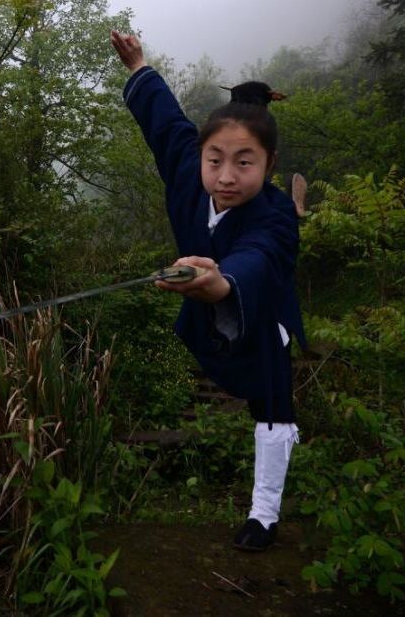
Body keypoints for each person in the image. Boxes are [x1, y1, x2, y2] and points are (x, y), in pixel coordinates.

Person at [110, 29, 304, 552]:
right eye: (215, 159)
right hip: (208, 322)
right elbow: (166, 124)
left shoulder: (276, 213)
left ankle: (264, 515)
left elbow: (261, 257)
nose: (225, 176)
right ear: (201, 156)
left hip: (260, 314)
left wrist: (221, 281)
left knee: (272, 402)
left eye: (245, 163)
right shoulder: (188, 174)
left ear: (269, 166)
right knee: (229, 366)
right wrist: (139, 67)